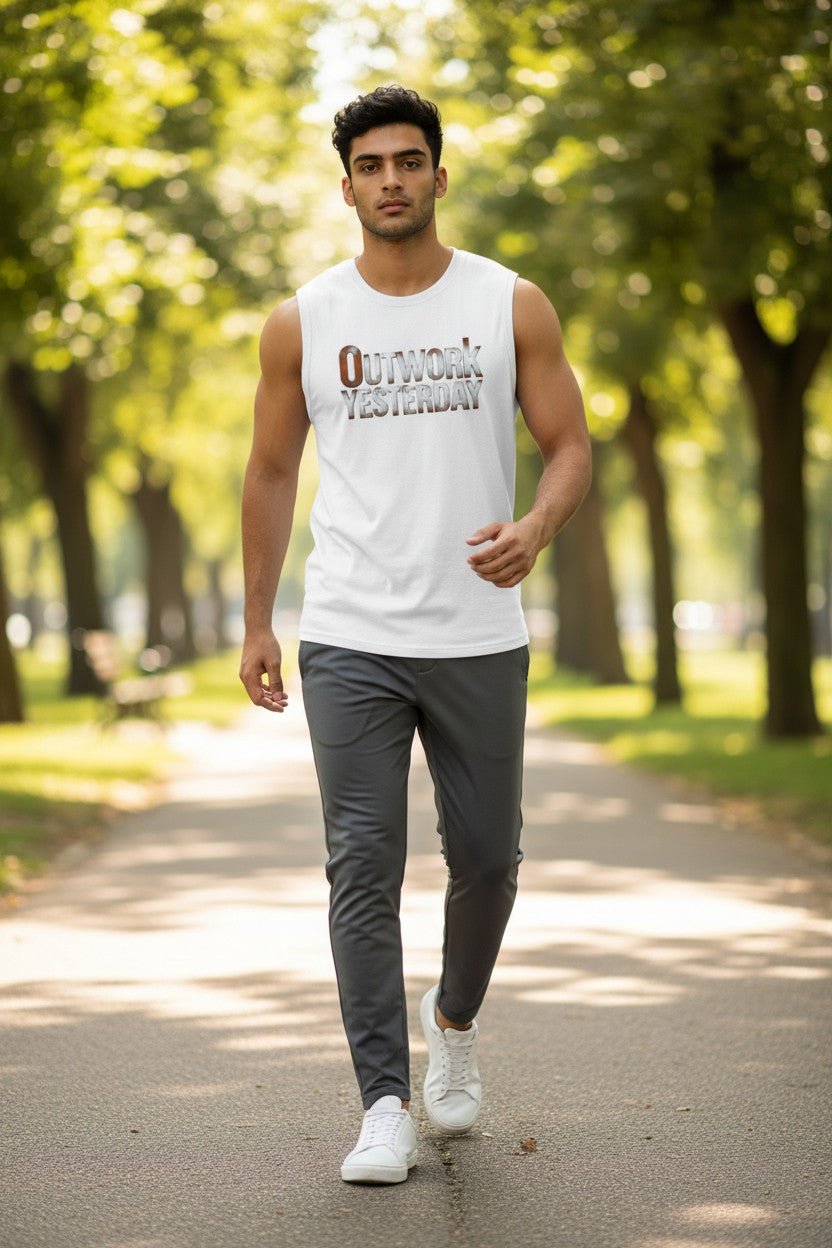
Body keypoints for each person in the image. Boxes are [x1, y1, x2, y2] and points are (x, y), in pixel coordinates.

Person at [239, 84, 591, 1185]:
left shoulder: (509, 304)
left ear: (440, 175)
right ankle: (382, 1100)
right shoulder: (303, 318)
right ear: (344, 184)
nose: (390, 179)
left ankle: (456, 1020)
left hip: (479, 631)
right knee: (362, 862)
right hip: (349, 630)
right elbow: (268, 470)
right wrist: (258, 617)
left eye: (408, 161)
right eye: (370, 164)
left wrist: (537, 524)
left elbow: (570, 442)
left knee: (487, 857)